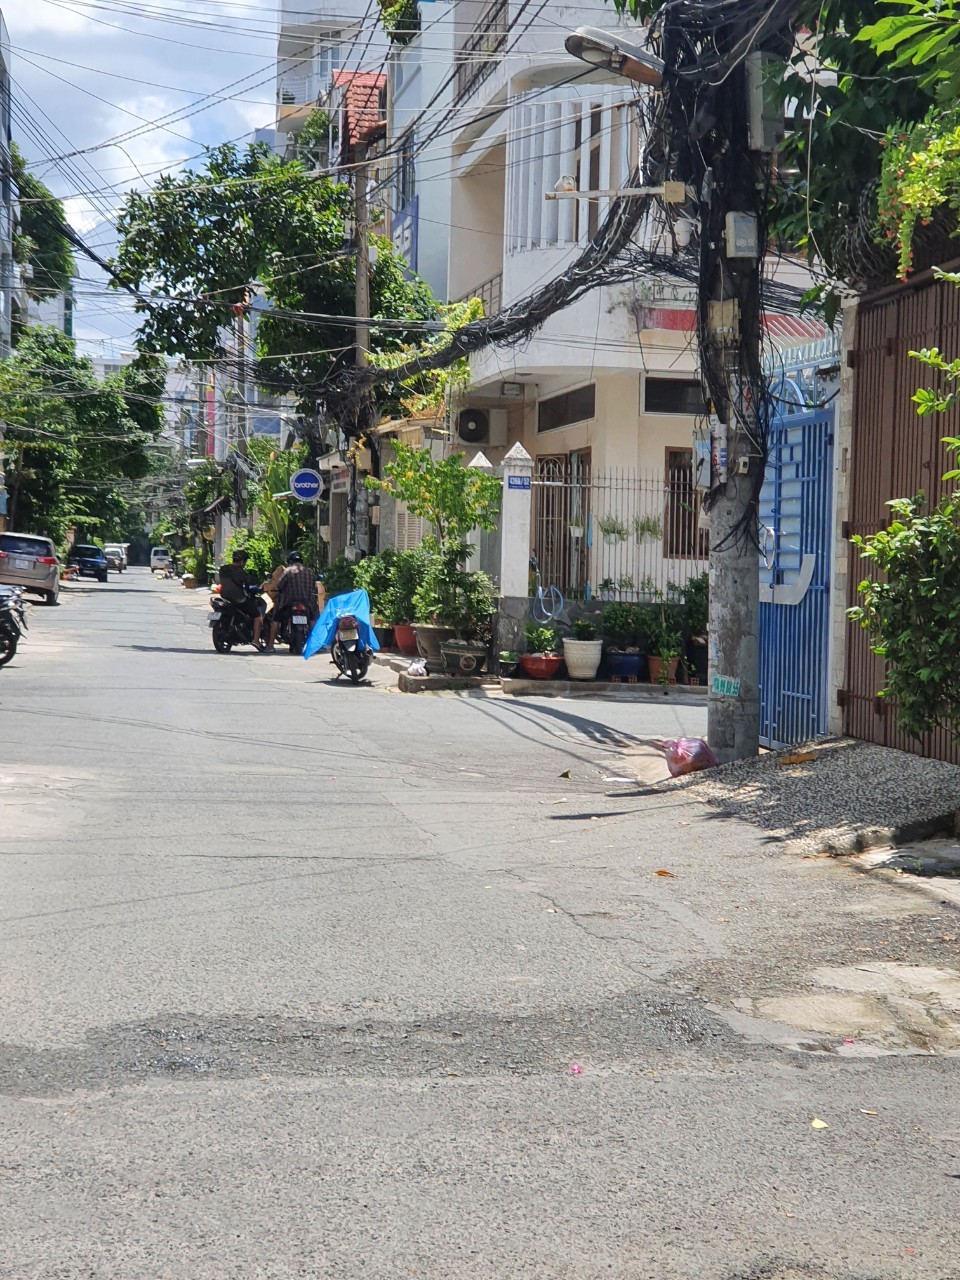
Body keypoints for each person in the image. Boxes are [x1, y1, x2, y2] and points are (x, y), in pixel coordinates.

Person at [265, 551, 317, 652]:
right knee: (313, 619)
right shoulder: (309, 572)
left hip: (288, 602)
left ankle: (270, 645)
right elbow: (313, 587)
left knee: (276, 619)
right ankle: (315, 644)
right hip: (307, 602)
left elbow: (279, 586)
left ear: (290, 561)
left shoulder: (287, 571)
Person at [218, 549, 265, 647]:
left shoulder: (223, 569)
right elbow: (250, 582)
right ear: (242, 562)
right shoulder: (241, 572)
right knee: (258, 617)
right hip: (238, 599)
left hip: (224, 596)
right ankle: (256, 640)